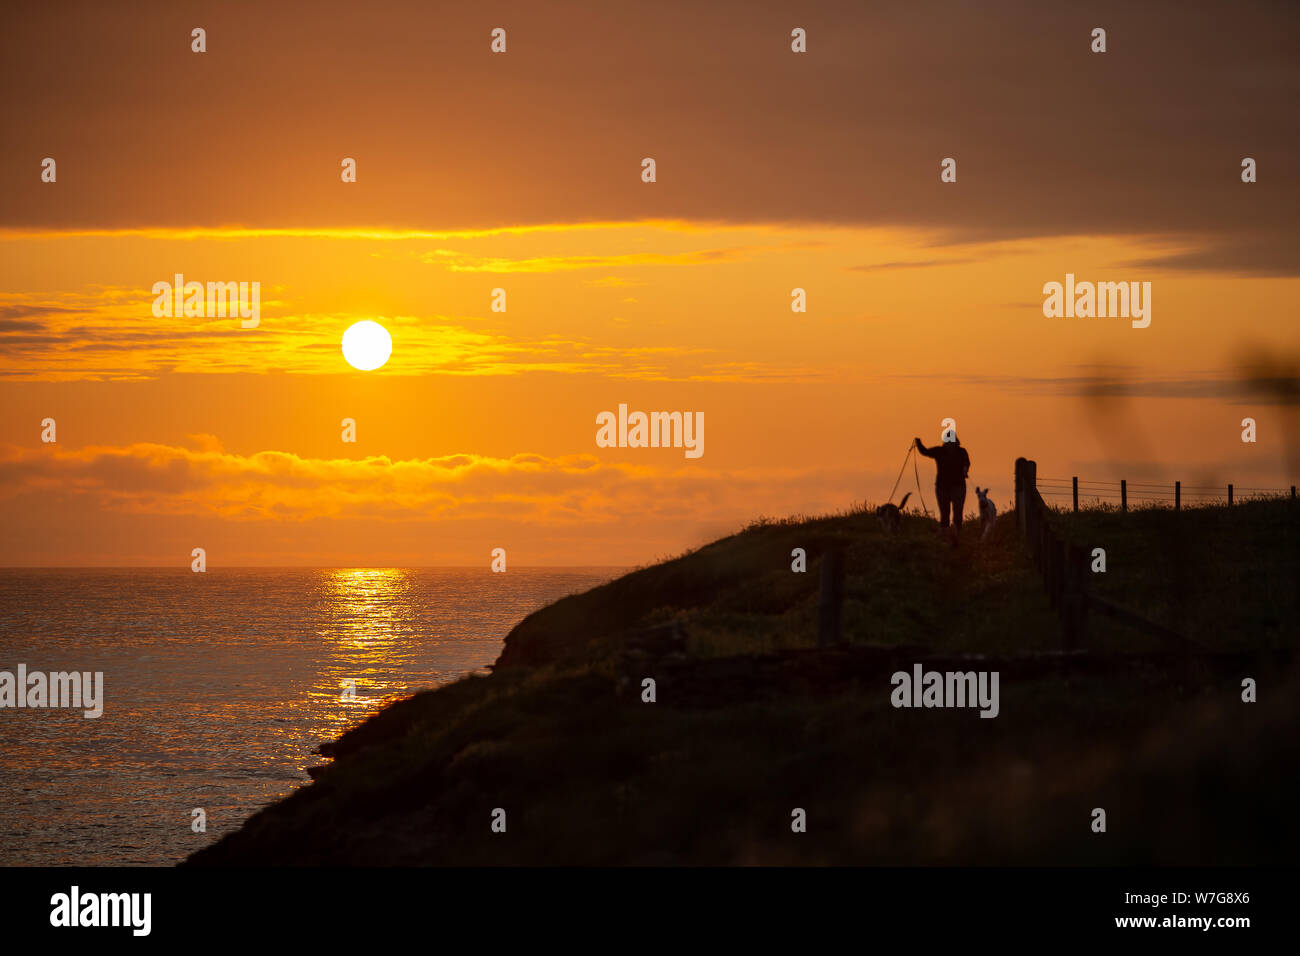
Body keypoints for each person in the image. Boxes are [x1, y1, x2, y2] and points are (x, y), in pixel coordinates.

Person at [914, 434, 970, 543]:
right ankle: (946, 539)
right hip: (943, 487)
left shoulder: (961, 452)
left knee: (957, 514)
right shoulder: (939, 451)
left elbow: (967, 463)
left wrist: (965, 469)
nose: (949, 443)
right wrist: (918, 443)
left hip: (958, 487)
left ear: (955, 441)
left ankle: (957, 538)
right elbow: (925, 452)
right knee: (945, 514)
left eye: (951, 440)